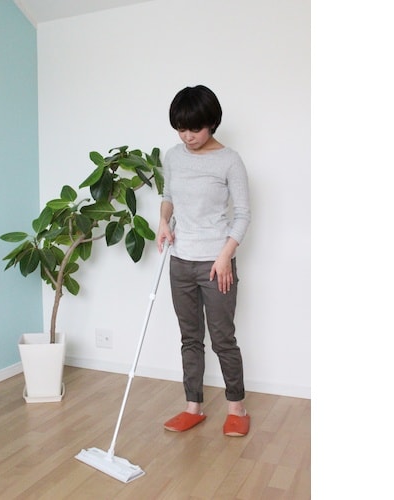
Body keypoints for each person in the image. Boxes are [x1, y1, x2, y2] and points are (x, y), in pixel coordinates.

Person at [157, 85, 251, 436]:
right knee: (190, 337)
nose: (187, 136)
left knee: (223, 338)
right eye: (181, 129)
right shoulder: (173, 156)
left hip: (216, 263)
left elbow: (242, 215)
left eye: (194, 129)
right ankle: (193, 407)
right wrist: (163, 221)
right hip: (180, 261)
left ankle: (237, 408)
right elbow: (168, 196)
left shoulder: (230, 160)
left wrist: (225, 256)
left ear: (211, 122)